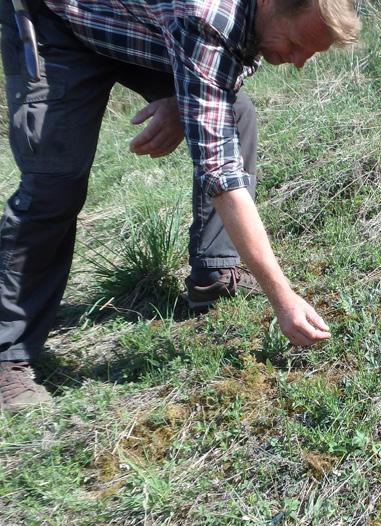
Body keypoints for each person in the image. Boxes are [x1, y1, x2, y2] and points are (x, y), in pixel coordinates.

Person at [0, 0, 361, 411]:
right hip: (56, 22)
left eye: (309, 54)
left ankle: (214, 271)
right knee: (54, 183)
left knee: (236, 115)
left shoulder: (247, 20)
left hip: (137, 27)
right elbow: (222, 178)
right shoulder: (206, 16)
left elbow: (224, 73)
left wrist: (180, 101)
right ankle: (8, 353)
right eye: (297, 44)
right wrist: (283, 299)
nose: (296, 63)